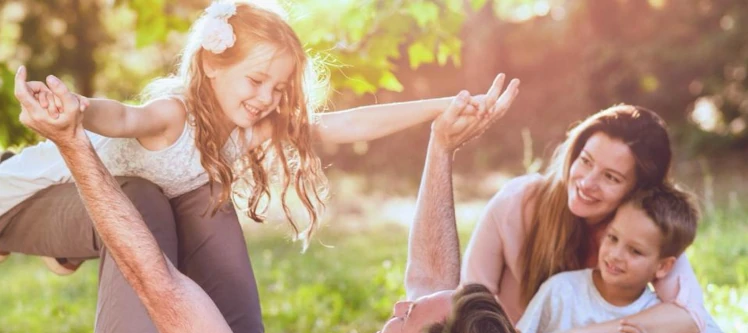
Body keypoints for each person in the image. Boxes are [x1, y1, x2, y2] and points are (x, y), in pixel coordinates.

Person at [15, 66, 527, 333]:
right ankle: (60, 232)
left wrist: (72, 143)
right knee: (202, 181)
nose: (399, 305)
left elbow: (156, 282)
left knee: (142, 198)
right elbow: (432, 282)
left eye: (407, 316)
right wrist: (441, 146)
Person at [0, 0, 497, 273]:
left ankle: (58, 251)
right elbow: (127, 118)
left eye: (279, 87)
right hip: (42, 177)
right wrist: (82, 108)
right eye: (256, 81)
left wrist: (444, 104)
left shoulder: (249, 129)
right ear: (212, 65)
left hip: (95, 207)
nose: (266, 97)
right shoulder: (174, 113)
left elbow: (342, 126)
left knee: (74, 250)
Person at [461, 104, 748, 333]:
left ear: (638, 191)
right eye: (585, 161)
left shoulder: (640, 232)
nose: (587, 183)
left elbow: (688, 321)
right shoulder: (518, 201)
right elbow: (469, 304)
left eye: (611, 177)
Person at [518, 185, 701, 333]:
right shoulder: (560, 290)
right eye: (612, 238)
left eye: (635, 251)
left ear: (662, 267)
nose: (615, 255)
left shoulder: (655, 321)